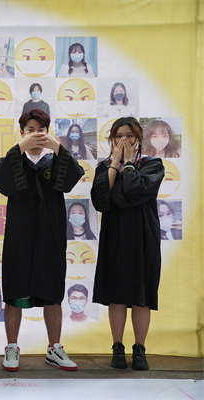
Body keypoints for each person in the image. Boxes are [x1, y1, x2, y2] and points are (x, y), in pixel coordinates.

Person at [0, 109, 84, 372]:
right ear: (21, 133)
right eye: (30, 130)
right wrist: (20, 147)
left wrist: (56, 146)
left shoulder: (56, 160)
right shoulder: (13, 160)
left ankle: (54, 348)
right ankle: (12, 347)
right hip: (19, 237)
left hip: (50, 236)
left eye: (41, 130)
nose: (36, 135)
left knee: (52, 290)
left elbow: (73, 177)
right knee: (15, 290)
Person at [91, 117, 164, 371]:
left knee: (142, 295)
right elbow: (101, 199)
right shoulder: (104, 167)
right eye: (119, 136)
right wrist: (115, 163)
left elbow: (136, 189)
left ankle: (140, 349)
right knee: (117, 293)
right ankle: (118, 347)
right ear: (111, 139)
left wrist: (130, 163)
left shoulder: (152, 165)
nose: (124, 140)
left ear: (139, 139)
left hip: (144, 235)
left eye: (130, 136)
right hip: (115, 236)